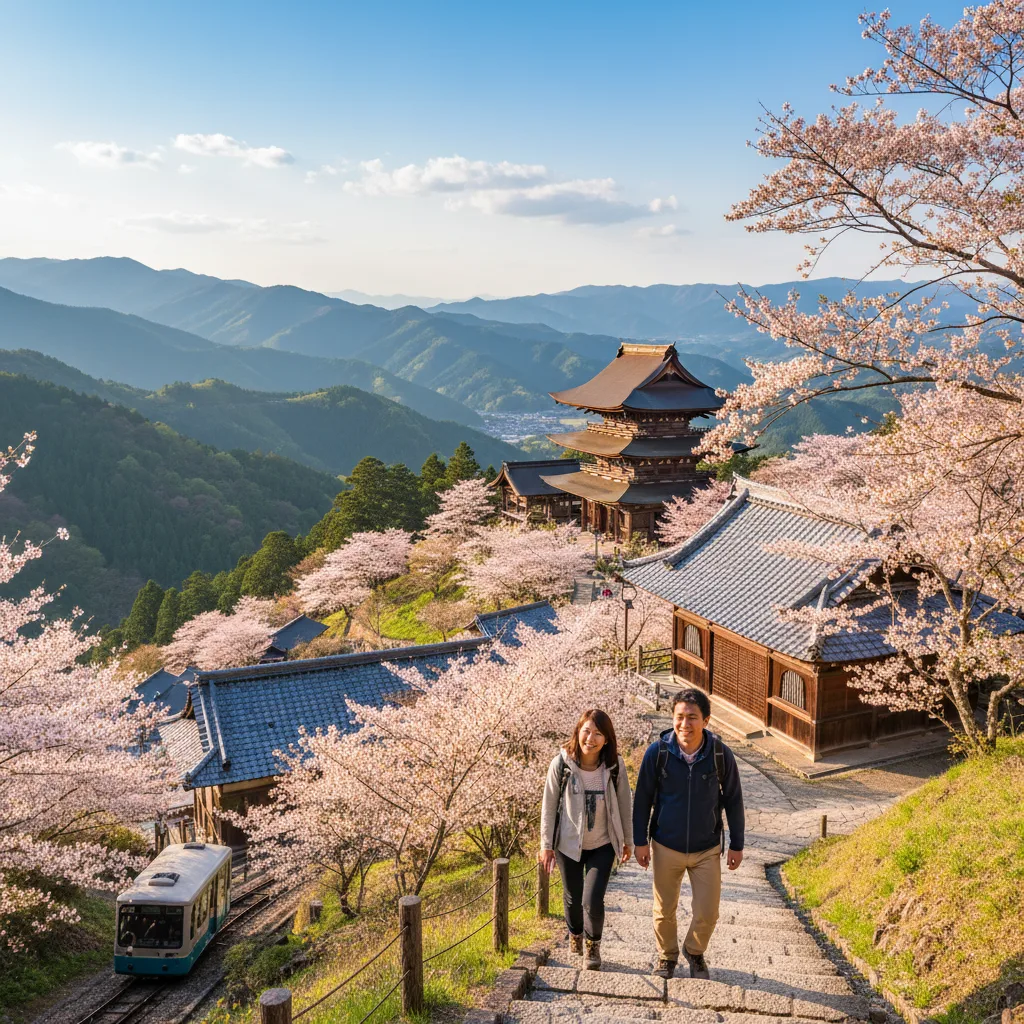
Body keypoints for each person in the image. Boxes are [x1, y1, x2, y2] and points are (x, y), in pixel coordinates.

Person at [631, 688, 745, 981]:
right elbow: (642, 797)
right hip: (665, 844)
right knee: (663, 909)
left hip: (706, 847)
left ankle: (694, 950)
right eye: (680, 717)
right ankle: (666, 956)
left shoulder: (720, 754)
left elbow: (733, 798)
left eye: (692, 718)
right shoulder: (659, 753)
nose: (685, 724)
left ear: (706, 720)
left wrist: (737, 844)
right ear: (673, 719)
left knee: (709, 911)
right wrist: (640, 841)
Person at [539, 708, 633, 971]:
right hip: (568, 844)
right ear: (577, 731)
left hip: (603, 844)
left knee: (592, 899)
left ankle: (593, 948)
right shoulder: (561, 764)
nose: (590, 738)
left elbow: (625, 803)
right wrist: (546, 846)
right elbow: (548, 806)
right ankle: (575, 934)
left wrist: (628, 840)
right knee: (572, 897)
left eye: (598, 734)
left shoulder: (614, 766)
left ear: (607, 739)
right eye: (586, 731)